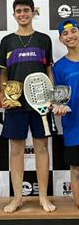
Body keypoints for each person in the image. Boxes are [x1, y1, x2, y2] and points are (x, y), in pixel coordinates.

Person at [0, 0, 55, 213]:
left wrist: (51, 96)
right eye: (19, 11)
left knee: (41, 148)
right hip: (15, 106)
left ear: (33, 13)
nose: (22, 14)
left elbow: (48, 69)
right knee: (16, 150)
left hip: (41, 104)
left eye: (26, 10)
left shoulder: (44, 39)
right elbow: (2, 72)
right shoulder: (7, 42)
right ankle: (17, 198)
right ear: (14, 15)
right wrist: (6, 94)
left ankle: (43, 197)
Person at [52, 19, 79, 208]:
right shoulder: (59, 67)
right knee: (76, 170)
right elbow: (57, 99)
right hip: (74, 127)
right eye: (65, 34)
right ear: (61, 39)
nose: (70, 36)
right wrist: (58, 107)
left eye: (74, 31)